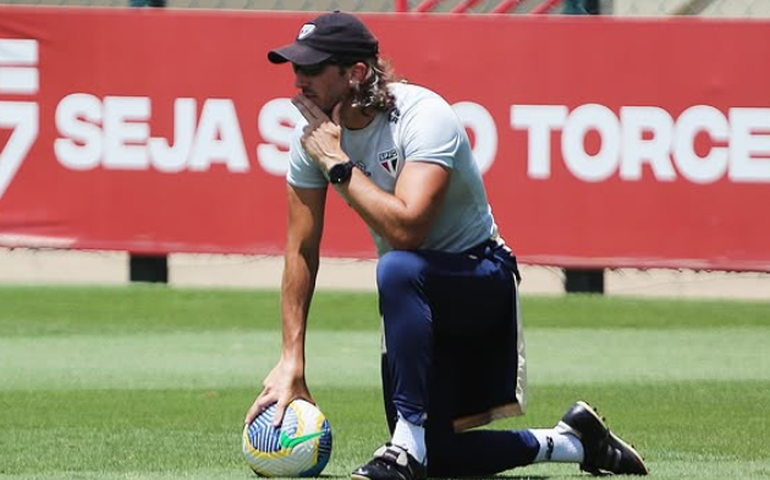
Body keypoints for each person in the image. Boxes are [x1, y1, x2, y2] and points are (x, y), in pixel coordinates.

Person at [245, 11, 649, 480]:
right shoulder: (312, 143)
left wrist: (338, 163)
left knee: (397, 267)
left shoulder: (422, 115)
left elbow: (408, 230)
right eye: (296, 68)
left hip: (479, 278)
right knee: (438, 456)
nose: (299, 81)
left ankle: (404, 445)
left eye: (312, 69)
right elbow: (300, 251)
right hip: (412, 296)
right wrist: (291, 360)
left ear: (355, 73)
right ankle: (573, 441)